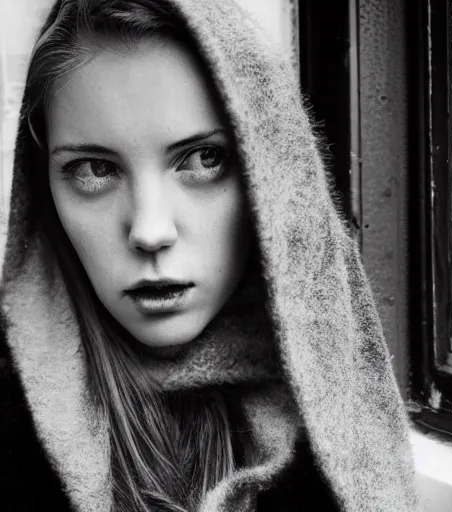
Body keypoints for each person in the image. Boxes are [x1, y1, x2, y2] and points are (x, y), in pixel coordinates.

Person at [0, 0, 419, 511]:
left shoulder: (337, 430)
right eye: (94, 170)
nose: (150, 231)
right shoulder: (11, 413)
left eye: (203, 159)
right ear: (45, 189)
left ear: (272, 176)